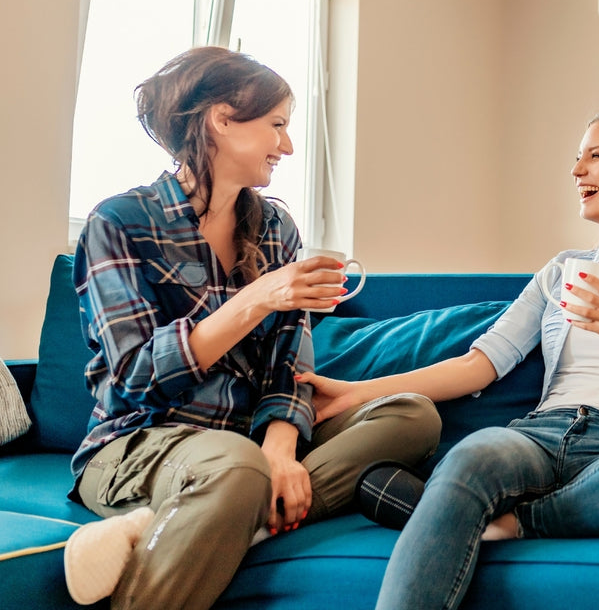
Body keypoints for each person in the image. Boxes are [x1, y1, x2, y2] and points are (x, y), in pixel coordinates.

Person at [298, 108, 599, 610]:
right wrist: (356, 393)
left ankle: (513, 521)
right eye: (577, 158)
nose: (577, 170)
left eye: (596, 156)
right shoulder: (561, 271)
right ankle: (484, 511)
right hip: (541, 435)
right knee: (473, 455)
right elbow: (479, 364)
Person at [62, 47, 441, 609]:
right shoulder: (119, 222)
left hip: (245, 447)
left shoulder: (276, 228)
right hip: (139, 443)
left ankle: (201, 522)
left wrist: (281, 450)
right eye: (277, 125)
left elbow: (291, 361)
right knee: (236, 469)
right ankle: (216, 505)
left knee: (411, 414)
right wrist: (257, 299)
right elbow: (134, 379)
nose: (287, 146)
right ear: (221, 119)